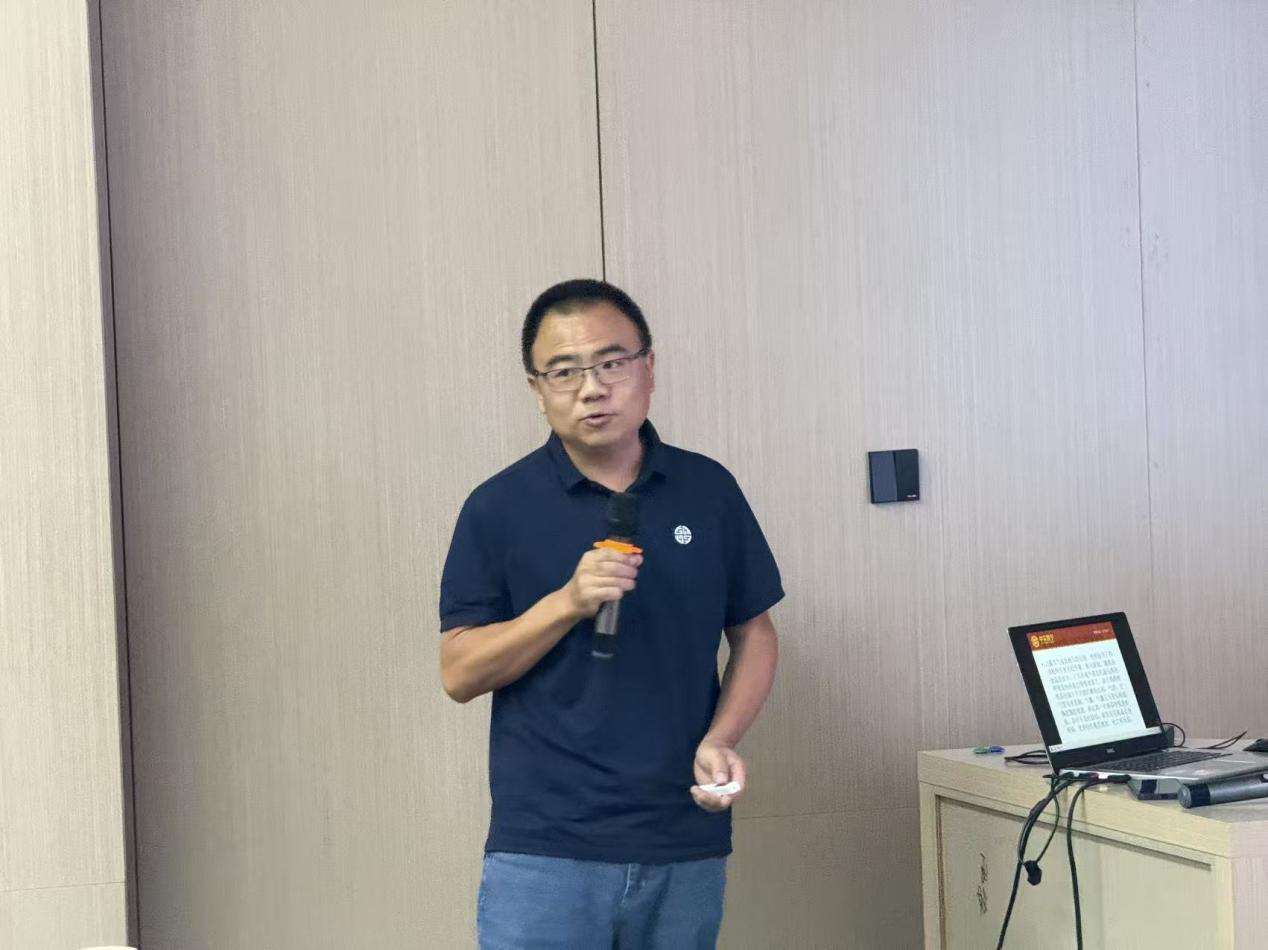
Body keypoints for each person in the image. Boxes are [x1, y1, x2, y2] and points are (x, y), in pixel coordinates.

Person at [439, 278, 783, 949]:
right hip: (545, 846)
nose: (591, 388)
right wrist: (566, 603)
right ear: (537, 389)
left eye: (611, 363)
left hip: (683, 835)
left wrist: (722, 737)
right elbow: (459, 672)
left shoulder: (708, 490)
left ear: (648, 368)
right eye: (564, 371)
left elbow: (755, 632)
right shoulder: (497, 508)